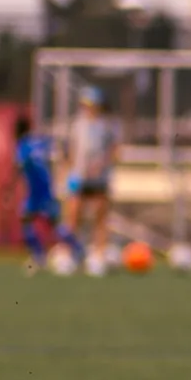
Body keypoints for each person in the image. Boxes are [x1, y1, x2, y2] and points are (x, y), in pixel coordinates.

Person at [3, 112, 83, 273]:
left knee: (40, 222)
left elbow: (19, 167)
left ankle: (70, 250)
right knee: (46, 223)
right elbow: (55, 146)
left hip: (37, 192)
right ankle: (70, 250)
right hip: (46, 189)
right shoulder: (38, 142)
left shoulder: (22, 146)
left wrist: (9, 189)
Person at [63, 87, 118, 275]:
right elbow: (70, 151)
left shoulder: (107, 126)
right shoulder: (76, 125)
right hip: (78, 177)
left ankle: (98, 255)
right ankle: (70, 253)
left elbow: (115, 150)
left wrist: (103, 165)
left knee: (100, 216)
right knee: (73, 214)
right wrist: (69, 175)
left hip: (100, 178)